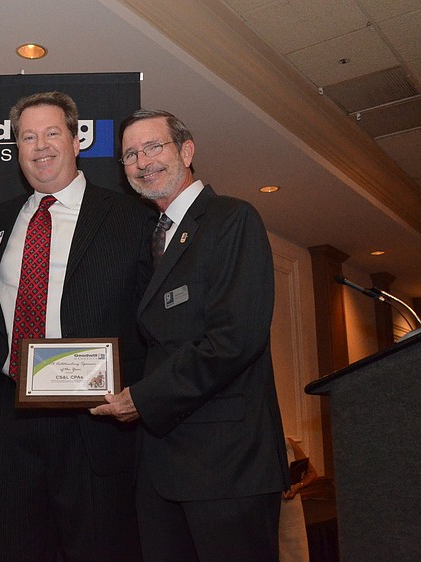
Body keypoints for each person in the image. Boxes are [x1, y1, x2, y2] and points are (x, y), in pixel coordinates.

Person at [91, 109, 289, 561]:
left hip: (227, 466)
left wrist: (143, 398)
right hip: (162, 466)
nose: (143, 162)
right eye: (130, 155)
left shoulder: (232, 219)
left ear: (186, 150)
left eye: (153, 147)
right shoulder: (149, 238)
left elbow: (235, 339)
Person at [0, 91, 154, 561]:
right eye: (27, 137)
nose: (40, 146)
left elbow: (155, 323)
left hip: (96, 420)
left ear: (77, 141)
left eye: (52, 133)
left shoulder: (130, 218)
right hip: (13, 419)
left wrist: (142, 394)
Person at [280, 437, 318, 562]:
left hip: (290, 512)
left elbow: (311, 474)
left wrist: (299, 486)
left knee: (295, 554)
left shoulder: (288, 444)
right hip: (265, 513)